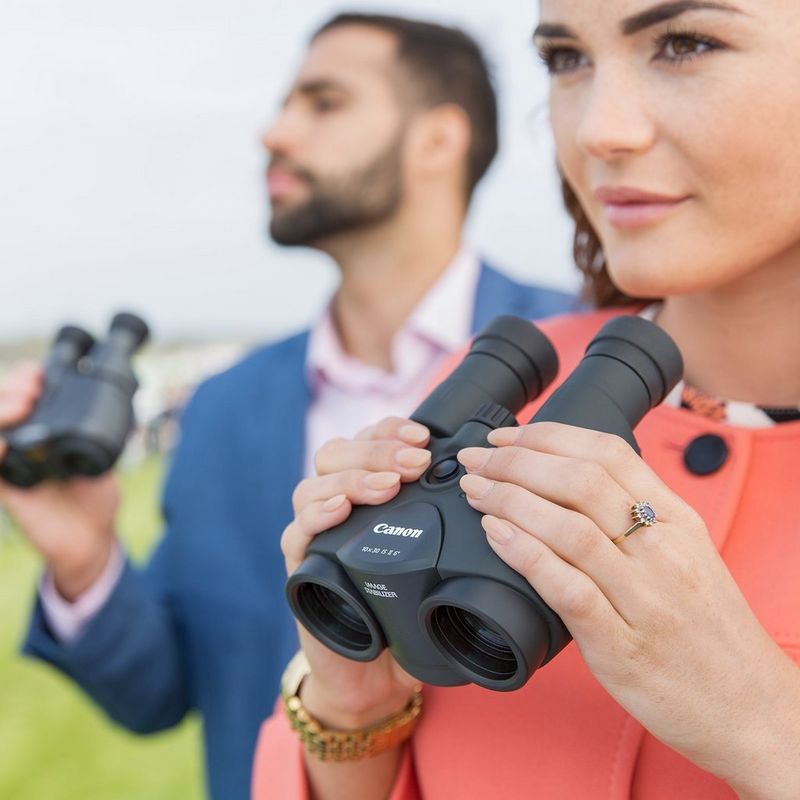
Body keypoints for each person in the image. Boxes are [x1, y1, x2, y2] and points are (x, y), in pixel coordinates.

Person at [0, 12, 576, 800]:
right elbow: (159, 694)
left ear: (438, 139)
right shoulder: (225, 410)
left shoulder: (595, 365)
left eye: (324, 102)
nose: (274, 133)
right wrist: (83, 558)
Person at [253, 1, 800, 798]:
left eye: (686, 44)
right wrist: (352, 708)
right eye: (567, 59)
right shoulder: (499, 383)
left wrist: (768, 725)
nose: (596, 131)